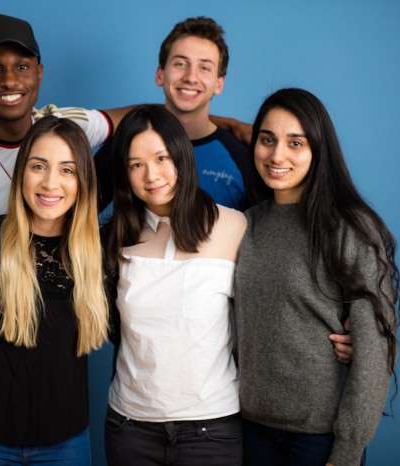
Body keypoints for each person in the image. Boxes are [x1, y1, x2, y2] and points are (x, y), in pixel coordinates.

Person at [0, 12, 260, 399]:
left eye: (21, 67)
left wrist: (221, 124)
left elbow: (149, 117)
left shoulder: (67, 124)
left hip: (77, 338)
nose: (8, 80)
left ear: (39, 73)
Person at [233, 88, 400, 466]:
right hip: (249, 430)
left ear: (318, 151)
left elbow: (374, 350)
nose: (277, 155)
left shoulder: (347, 227)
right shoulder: (245, 225)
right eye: (267, 140)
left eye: (296, 142)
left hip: (320, 437)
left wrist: (347, 450)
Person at [0, 116, 110, 464]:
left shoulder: (100, 251)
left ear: (83, 179)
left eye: (67, 170)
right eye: (39, 166)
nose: (51, 182)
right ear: (21, 171)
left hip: (67, 444)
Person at [103, 104, 246, 465]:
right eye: (136, 164)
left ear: (182, 155)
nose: (152, 175)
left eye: (162, 157)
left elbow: (270, 308)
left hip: (212, 426)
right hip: (130, 426)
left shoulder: (234, 227)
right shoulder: (113, 238)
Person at [95, 16, 253, 213]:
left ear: (219, 84)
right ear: (160, 74)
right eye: (180, 64)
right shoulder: (125, 145)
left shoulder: (241, 158)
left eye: (204, 67)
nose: (190, 77)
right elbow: (79, 214)